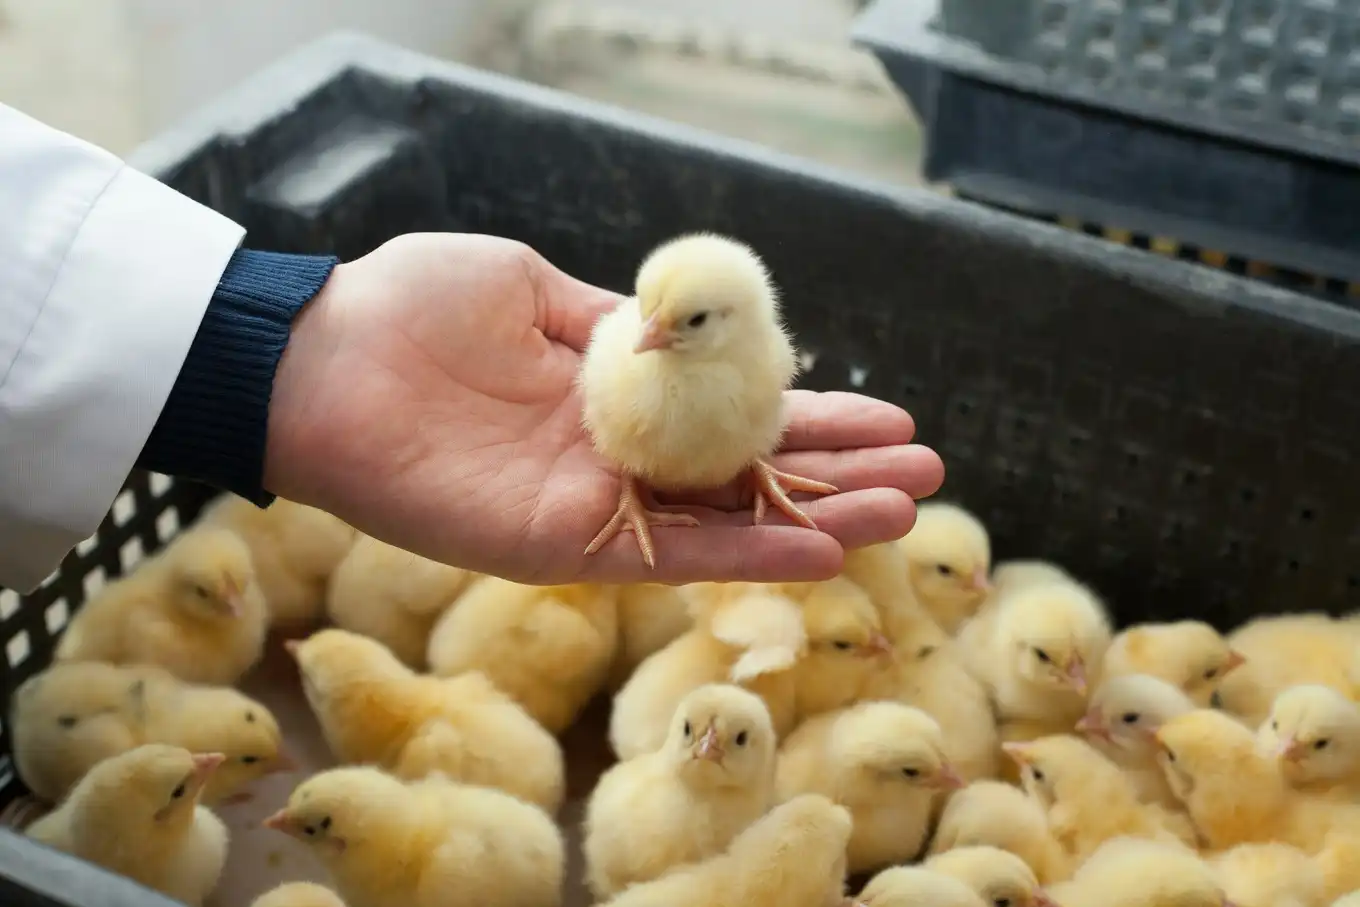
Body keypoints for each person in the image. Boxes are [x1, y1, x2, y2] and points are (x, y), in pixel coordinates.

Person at [0, 102, 944, 594]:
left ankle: (749, 475)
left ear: (738, 323)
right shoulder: (639, 349)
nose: (645, 333)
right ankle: (649, 490)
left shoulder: (751, 359)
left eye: (679, 325)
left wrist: (284, 354)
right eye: (650, 315)